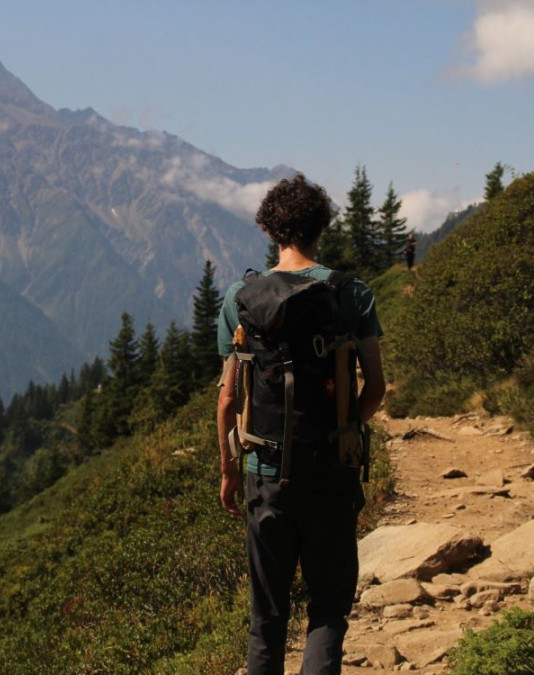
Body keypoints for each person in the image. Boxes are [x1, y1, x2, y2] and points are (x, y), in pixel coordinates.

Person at [216, 174, 386, 674]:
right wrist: (344, 430)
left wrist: (230, 471)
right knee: (328, 608)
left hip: (264, 470)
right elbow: (374, 388)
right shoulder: (352, 294)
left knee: (266, 616)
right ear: (321, 228)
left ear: (270, 229)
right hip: (331, 470)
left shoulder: (240, 298)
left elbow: (229, 399)